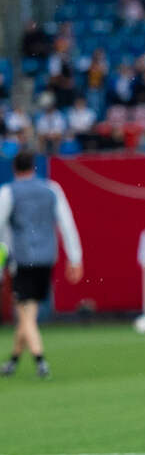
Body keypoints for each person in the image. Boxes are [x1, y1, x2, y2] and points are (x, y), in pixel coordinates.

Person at [0, 151, 84, 379]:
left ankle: (41, 361)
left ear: (15, 169)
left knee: (24, 315)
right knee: (30, 310)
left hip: (22, 259)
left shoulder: (8, 193)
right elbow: (67, 224)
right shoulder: (52, 189)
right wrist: (75, 258)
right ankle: (13, 362)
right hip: (47, 259)